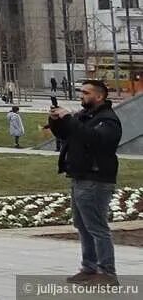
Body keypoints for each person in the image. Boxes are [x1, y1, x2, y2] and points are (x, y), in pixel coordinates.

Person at [48, 79, 123, 284]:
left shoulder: (108, 120)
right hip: (80, 177)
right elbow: (67, 135)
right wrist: (56, 120)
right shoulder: (85, 116)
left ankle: (107, 273)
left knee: (97, 227)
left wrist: (70, 118)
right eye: (81, 92)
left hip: (96, 179)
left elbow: (93, 139)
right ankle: (89, 268)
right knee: (82, 225)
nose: (81, 95)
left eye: (86, 92)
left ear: (99, 96)